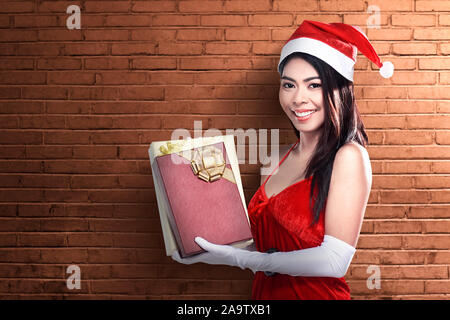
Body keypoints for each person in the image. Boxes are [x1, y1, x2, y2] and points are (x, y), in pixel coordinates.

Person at [172, 20, 394, 300]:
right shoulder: (273, 161)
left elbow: (335, 260)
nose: (298, 98)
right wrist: (209, 252)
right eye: (289, 85)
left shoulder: (349, 156)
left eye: (314, 85)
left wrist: (250, 261)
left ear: (340, 90)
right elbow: (270, 251)